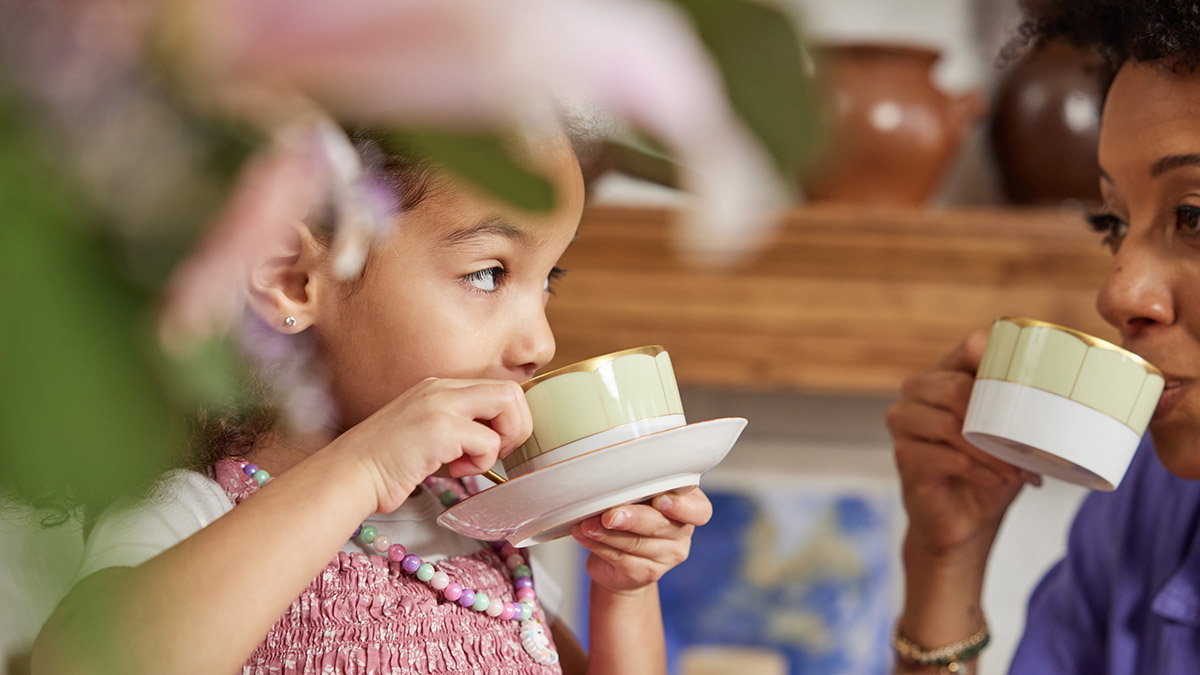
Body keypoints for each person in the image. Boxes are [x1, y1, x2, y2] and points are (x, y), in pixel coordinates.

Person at [29, 124, 712, 674]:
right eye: (487, 272)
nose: (539, 340)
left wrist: (624, 589)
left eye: (547, 281)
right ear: (294, 278)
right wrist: (365, 467)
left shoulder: (484, 536)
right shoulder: (200, 513)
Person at [887, 1, 1200, 673]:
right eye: (1113, 223)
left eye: (1194, 215)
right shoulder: (1152, 504)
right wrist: (946, 565)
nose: (1116, 293)